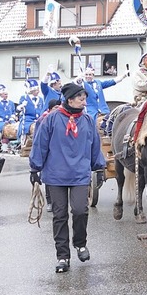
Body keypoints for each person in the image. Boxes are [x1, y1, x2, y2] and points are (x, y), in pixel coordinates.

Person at [29, 83, 106, 273]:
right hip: (56, 175)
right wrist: (34, 168)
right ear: (69, 99)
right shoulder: (51, 119)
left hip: (80, 173)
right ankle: (62, 256)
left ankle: (80, 243)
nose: (84, 100)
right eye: (80, 97)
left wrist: (100, 167)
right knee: (60, 215)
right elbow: (40, 144)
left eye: (84, 97)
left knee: (80, 210)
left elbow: (95, 145)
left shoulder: (88, 121)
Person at [33, 98, 62, 213]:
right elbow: (37, 137)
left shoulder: (62, 119)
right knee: (48, 177)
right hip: (47, 152)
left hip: (58, 151)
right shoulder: (42, 120)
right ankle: (49, 201)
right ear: (50, 109)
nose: (57, 110)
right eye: (55, 108)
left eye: (59, 108)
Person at [0, 84, 17, 150]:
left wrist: (12, 117)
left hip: (9, 120)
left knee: (15, 127)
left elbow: (13, 112)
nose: (6, 96)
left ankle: (14, 143)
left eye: (7, 94)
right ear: (0, 94)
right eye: (5, 94)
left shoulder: (11, 103)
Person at [18, 79, 45, 145]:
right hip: (27, 119)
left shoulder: (40, 99)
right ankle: (23, 143)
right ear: (31, 90)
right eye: (36, 90)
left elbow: (42, 109)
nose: (38, 91)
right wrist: (22, 105)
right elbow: (18, 108)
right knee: (24, 128)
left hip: (39, 118)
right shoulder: (24, 97)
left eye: (38, 90)